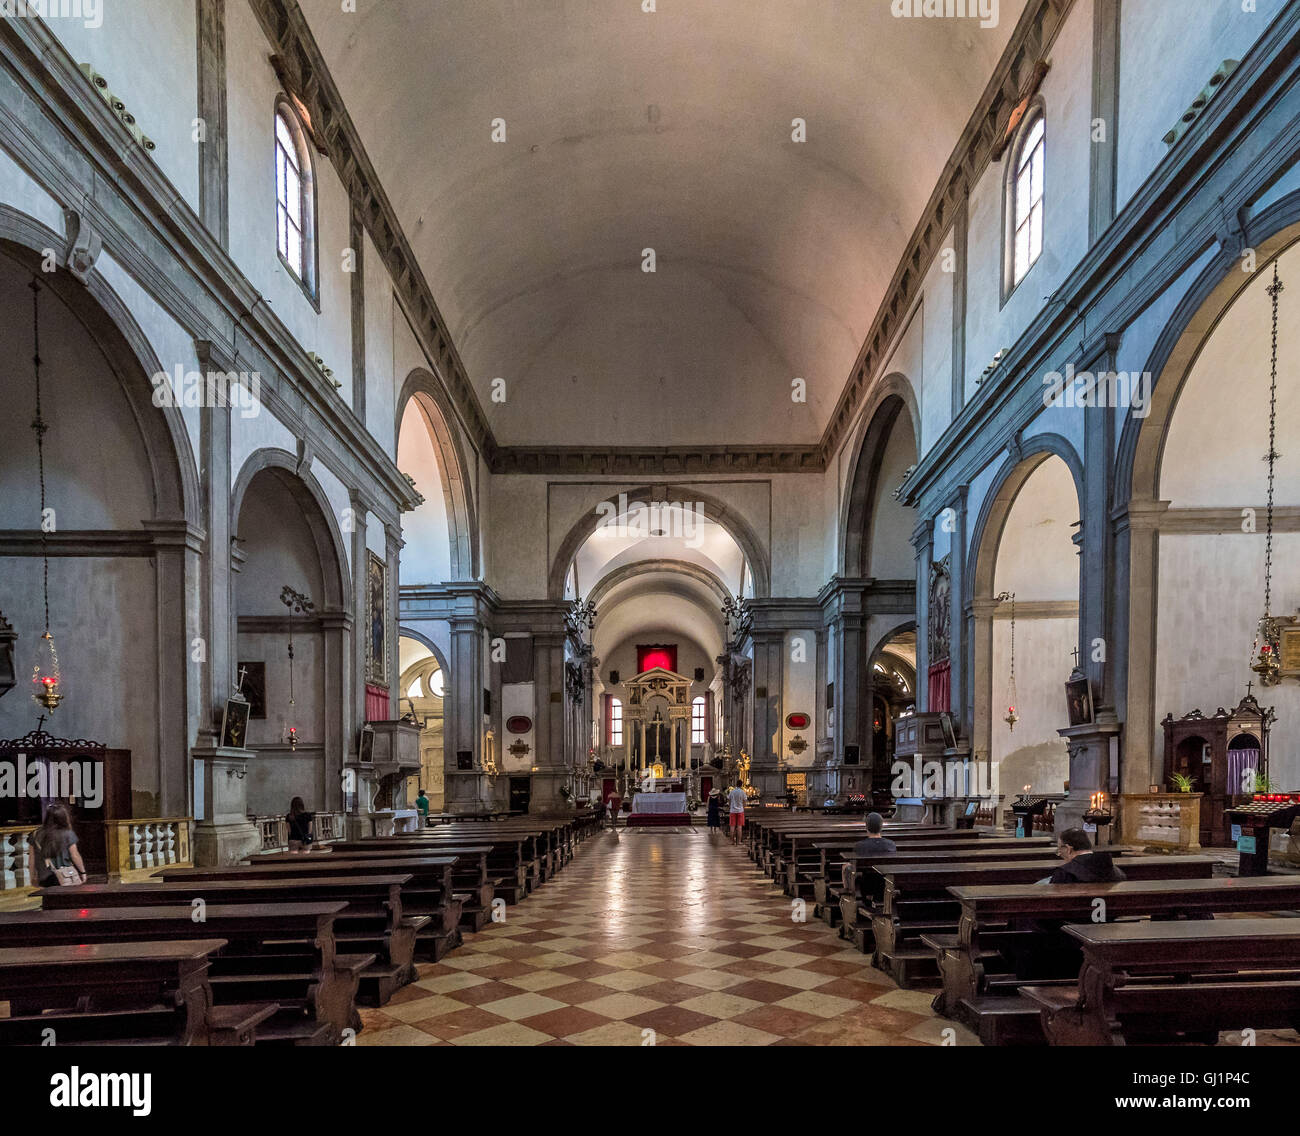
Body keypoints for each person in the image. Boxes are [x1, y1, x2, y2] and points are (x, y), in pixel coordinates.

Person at [26, 803, 86, 887]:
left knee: (48, 899)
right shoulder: (68, 834)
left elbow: (31, 859)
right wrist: (82, 872)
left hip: (44, 877)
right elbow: (75, 855)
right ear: (63, 818)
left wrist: (32, 877)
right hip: (65, 876)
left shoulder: (35, 834)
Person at [1045, 827, 1126, 884]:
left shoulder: (1064, 874)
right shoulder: (1114, 870)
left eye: (1060, 850)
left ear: (1068, 848)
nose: (1059, 854)